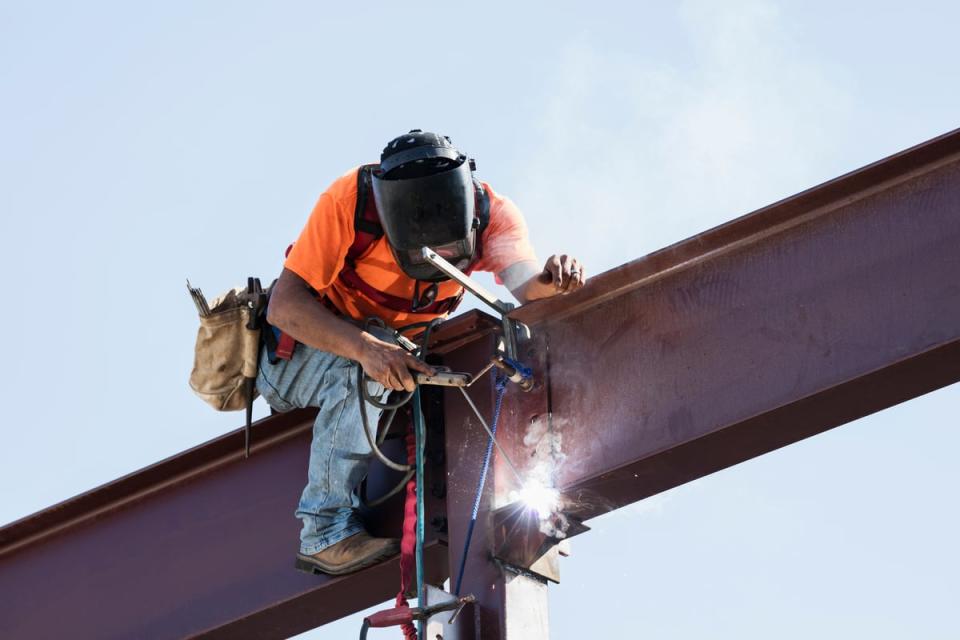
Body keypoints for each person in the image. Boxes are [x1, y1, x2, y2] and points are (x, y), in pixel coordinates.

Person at [258, 130, 586, 575]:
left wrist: (555, 281)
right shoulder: (350, 202)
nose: (444, 254)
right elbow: (285, 307)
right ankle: (323, 533)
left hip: (393, 352)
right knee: (365, 373)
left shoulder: (492, 215)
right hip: (298, 356)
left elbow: (531, 290)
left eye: (452, 245)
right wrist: (364, 349)